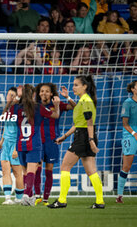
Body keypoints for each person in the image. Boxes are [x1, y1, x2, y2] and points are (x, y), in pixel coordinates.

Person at [48, 75, 105, 209]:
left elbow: (89, 122)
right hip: (84, 135)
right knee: (91, 171)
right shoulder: (84, 100)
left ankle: (62, 200)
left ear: (84, 86)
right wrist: (65, 136)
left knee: (65, 167)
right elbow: (80, 122)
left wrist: (90, 140)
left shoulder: (85, 101)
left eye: (76, 85)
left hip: (83, 137)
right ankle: (100, 201)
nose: (73, 87)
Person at [6, 84, 60, 206]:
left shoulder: (16, 108)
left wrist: (15, 100)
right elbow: (56, 115)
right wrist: (56, 105)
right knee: (31, 171)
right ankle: (26, 195)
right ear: (34, 95)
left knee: (25, 172)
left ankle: (29, 197)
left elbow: (5, 114)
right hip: (34, 144)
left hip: (21, 144)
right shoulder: (39, 108)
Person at [33, 83, 76, 206]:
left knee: (49, 170)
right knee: (37, 168)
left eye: (47, 91)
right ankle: (37, 196)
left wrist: (67, 97)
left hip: (51, 141)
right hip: (37, 141)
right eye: (42, 91)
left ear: (52, 93)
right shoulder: (36, 106)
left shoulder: (57, 105)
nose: (44, 93)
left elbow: (76, 107)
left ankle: (46, 199)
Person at [117, 81, 137, 203]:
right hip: (130, 136)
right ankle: (119, 195)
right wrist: (135, 135)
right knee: (127, 166)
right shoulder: (127, 103)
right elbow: (125, 124)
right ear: (133, 90)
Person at [0, 87, 24, 205]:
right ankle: (8, 198)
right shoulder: (7, 110)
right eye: (9, 95)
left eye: (13, 95)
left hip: (15, 144)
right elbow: (6, 126)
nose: (10, 97)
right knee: (5, 171)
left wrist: (17, 149)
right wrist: (1, 140)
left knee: (18, 173)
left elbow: (21, 130)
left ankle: (19, 198)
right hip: (6, 143)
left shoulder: (19, 111)